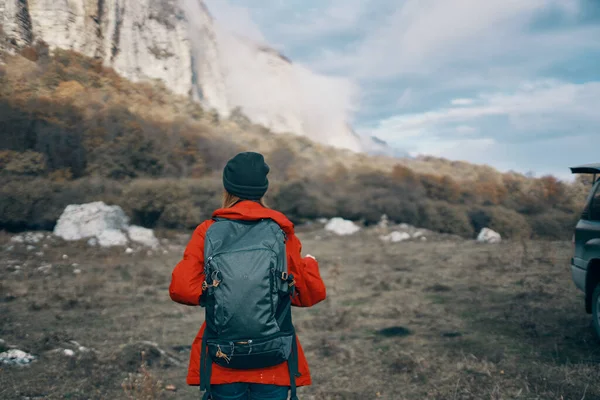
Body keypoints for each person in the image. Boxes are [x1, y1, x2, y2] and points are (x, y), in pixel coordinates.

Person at [169, 151, 327, 400]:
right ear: (263, 189)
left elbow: (182, 289)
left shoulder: (208, 231)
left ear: (227, 187)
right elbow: (308, 295)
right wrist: (309, 265)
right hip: (274, 358)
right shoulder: (281, 231)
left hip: (223, 357)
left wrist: (217, 289)